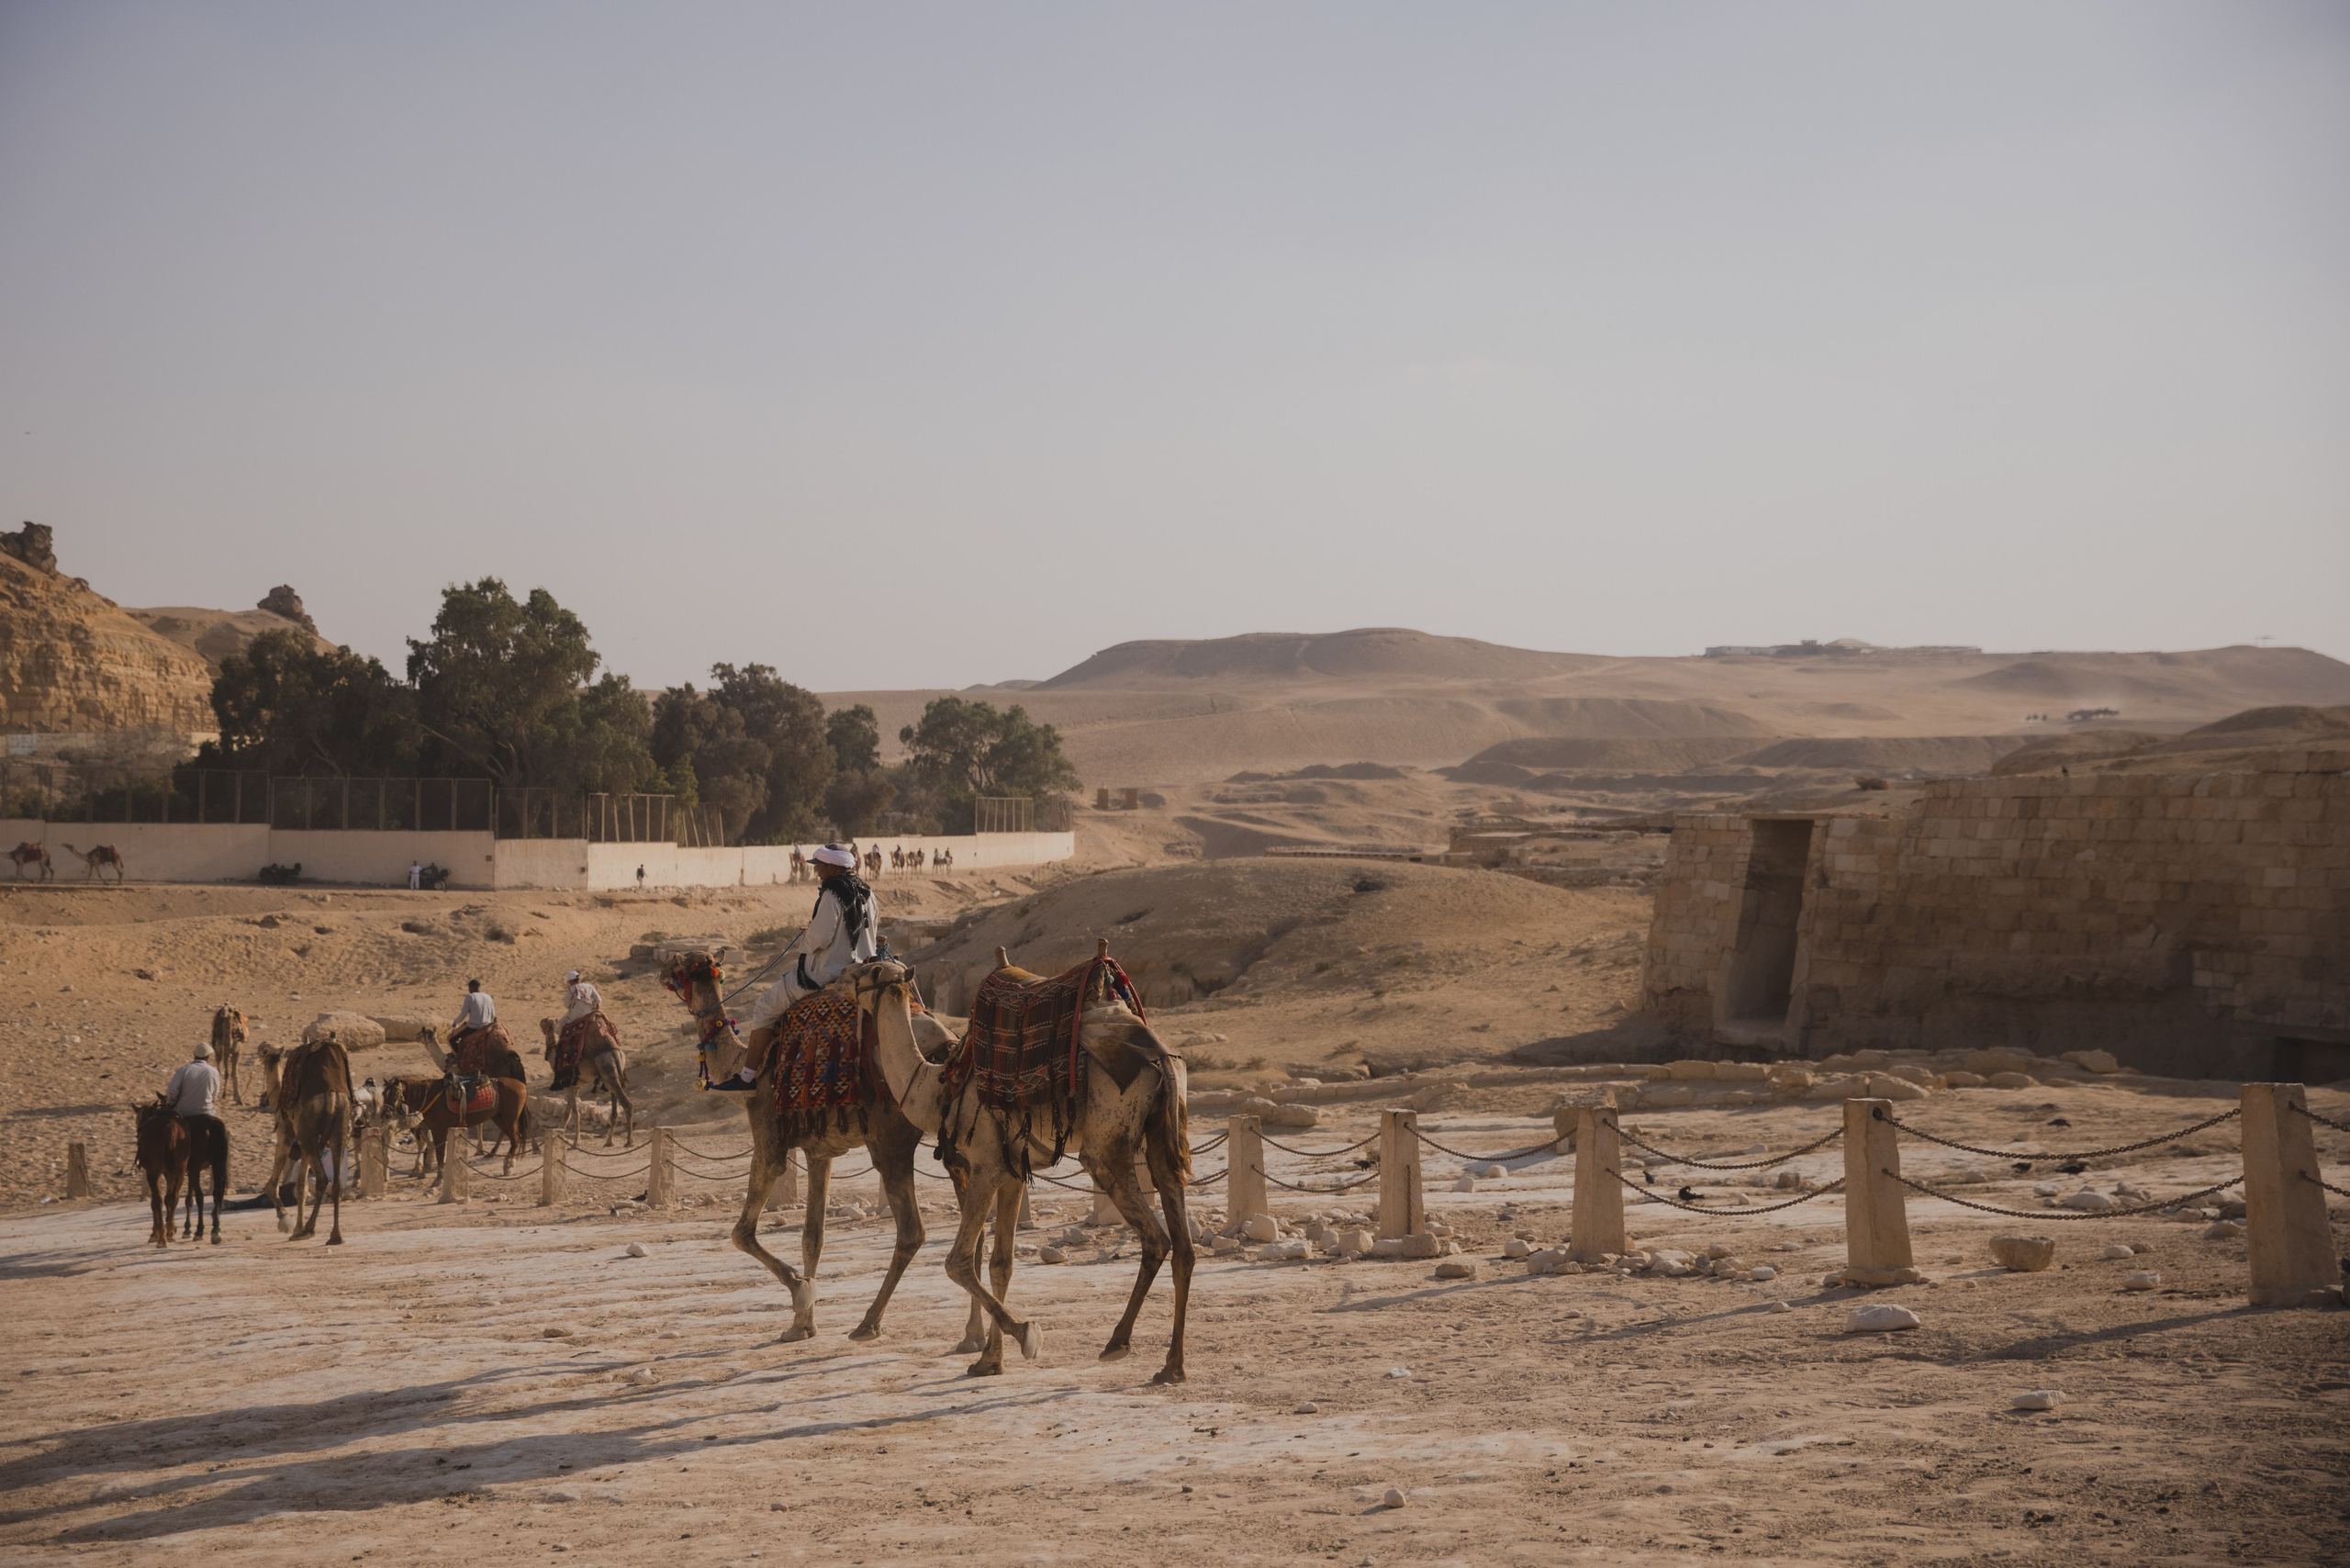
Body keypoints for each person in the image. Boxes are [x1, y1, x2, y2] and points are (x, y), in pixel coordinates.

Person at [713, 843, 877, 1091]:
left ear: (833, 868)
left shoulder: (832, 894)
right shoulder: (869, 893)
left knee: (765, 1007)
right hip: (862, 969)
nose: (817, 872)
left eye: (820, 867)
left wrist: (807, 935)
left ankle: (747, 1077)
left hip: (828, 974)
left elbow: (821, 938)